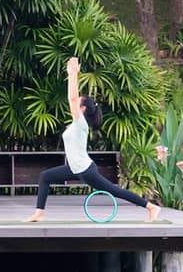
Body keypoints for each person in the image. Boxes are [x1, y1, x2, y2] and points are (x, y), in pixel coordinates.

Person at [23, 56, 161, 223]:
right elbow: (72, 99)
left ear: (83, 108)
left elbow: (72, 98)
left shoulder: (81, 123)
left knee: (114, 190)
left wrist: (73, 74)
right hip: (75, 168)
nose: (72, 105)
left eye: (77, 104)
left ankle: (151, 207)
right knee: (45, 176)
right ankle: (39, 213)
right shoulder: (77, 123)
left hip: (85, 170)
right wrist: (71, 74)